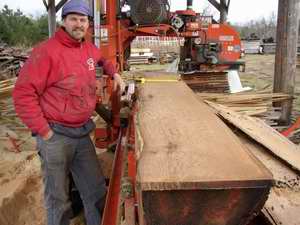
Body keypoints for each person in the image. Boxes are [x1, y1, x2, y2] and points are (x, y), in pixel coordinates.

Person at [12, 0, 125, 225]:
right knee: (58, 199)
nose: (78, 24)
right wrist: (44, 133)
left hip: (81, 134)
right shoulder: (46, 52)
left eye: (83, 20)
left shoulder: (88, 49)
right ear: (63, 22)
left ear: (88, 24)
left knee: (96, 191)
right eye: (73, 19)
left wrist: (115, 73)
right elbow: (23, 95)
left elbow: (103, 59)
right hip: (55, 136)